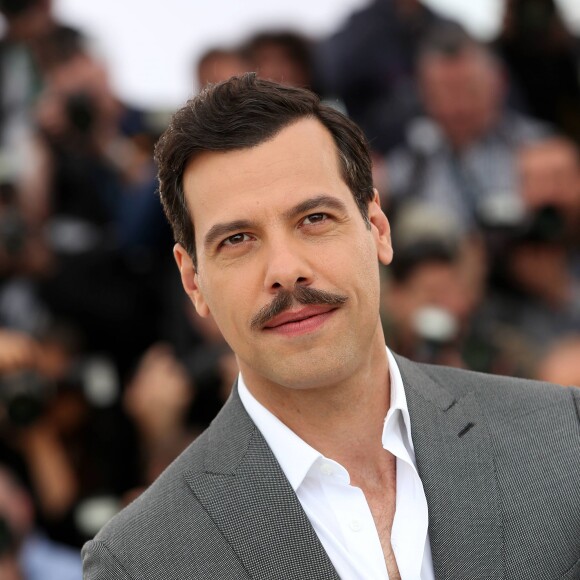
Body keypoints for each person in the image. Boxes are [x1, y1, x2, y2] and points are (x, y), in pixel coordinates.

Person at [82, 74, 580, 579]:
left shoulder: (559, 436)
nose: (285, 270)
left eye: (314, 219)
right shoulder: (141, 562)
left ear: (378, 230)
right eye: (237, 239)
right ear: (193, 282)